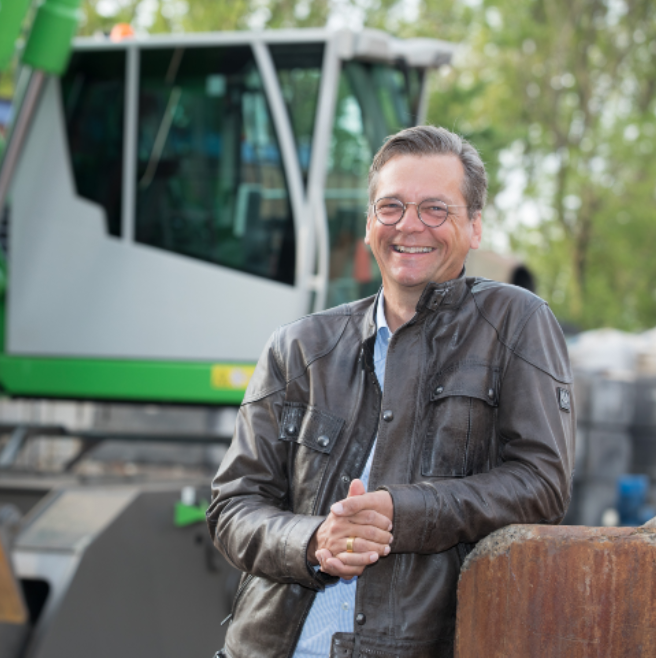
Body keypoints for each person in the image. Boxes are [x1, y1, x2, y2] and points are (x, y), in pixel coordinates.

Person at [207, 126, 576, 658]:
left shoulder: (516, 322)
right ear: (368, 224)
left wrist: (402, 514)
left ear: (474, 227)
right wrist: (312, 542)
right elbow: (232, 504)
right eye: (392, 207)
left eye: (435, 210)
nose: (409, 225)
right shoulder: (299, 346)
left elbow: (542, 483)